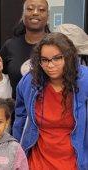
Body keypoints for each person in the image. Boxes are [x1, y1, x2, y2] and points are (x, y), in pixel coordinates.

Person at [13, 32, 88, 170]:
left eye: (57, 58)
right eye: (45, 60)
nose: (50, 65)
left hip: (76, 163)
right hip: (37, 163)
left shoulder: (85, 79)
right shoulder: (29, 81)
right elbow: (20, 119)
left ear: (70, 57)